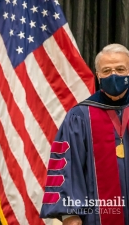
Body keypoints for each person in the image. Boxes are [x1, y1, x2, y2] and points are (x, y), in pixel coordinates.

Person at [40, 43, 129, 225]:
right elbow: (67, 165)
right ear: (98, 75)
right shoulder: (80, 115)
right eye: (106, 71)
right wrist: (69, 214)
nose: (113, 75)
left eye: (121, 69)